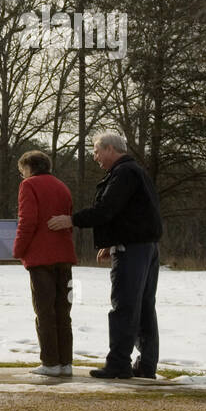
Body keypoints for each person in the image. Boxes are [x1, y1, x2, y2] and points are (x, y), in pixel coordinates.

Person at [47, 132, 163, 380]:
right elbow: (133, 214)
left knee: (124, 306)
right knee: (144, 307)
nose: (95, 156)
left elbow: (106, 209)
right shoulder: (136, 171)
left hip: (133, 249)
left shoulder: (123, 174)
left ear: (111, 149)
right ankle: (146, 365)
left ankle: (118, 364)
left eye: (97, 151)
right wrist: (112, 240)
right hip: (147, 247)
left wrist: (71, 219)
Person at [12, 150, 78, 377]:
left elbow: (27, 220)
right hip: (64, 256)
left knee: (44, 311)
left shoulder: (29, 186)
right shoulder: (62, 186)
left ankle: (50, 362)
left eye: (23, 171)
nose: (23, 176)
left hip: (40, 258)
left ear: (29, 168)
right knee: (63, 311)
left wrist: (18, 250)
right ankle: (65, 362)